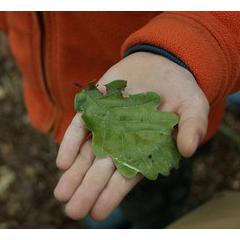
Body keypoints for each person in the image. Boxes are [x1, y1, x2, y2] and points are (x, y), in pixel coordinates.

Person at [0, 12, 240, 227]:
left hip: (172, 82)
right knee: (104, 182)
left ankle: (157, 219)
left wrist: (201, 40)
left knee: (157, 189)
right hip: (56, 100)